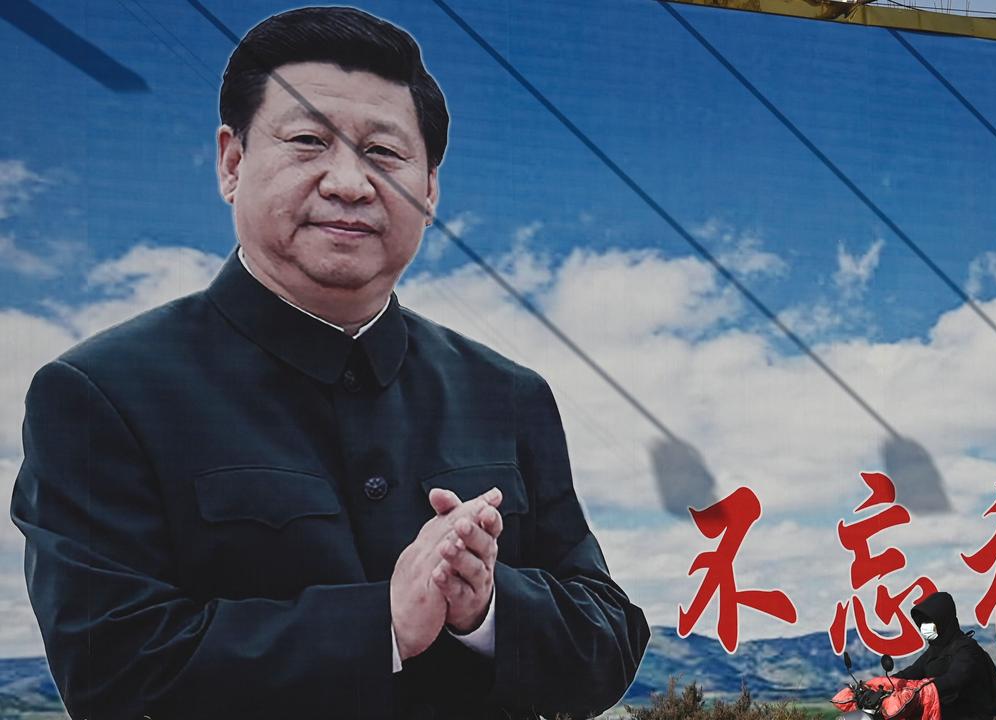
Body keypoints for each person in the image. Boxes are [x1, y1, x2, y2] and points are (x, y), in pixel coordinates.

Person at [9, 6, 649, 719]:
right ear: (232, 161)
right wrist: (386, 624)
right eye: (309, 141)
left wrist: (487, 605)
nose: (349, 182)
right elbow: (115, 672)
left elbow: (608, 640)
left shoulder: (507, 392)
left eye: (384, 153)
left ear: (429, 190)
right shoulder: (102, 394)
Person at [892, 591, 996, 720]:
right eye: (923, 622)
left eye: (930, 621)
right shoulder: (936, 649)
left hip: (971, 715)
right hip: (942, 713)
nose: (924, 626)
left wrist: (923, 691)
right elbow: (911, 672)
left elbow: (954, 679)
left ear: (943, 620)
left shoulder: (967, 649)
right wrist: (882, 684)